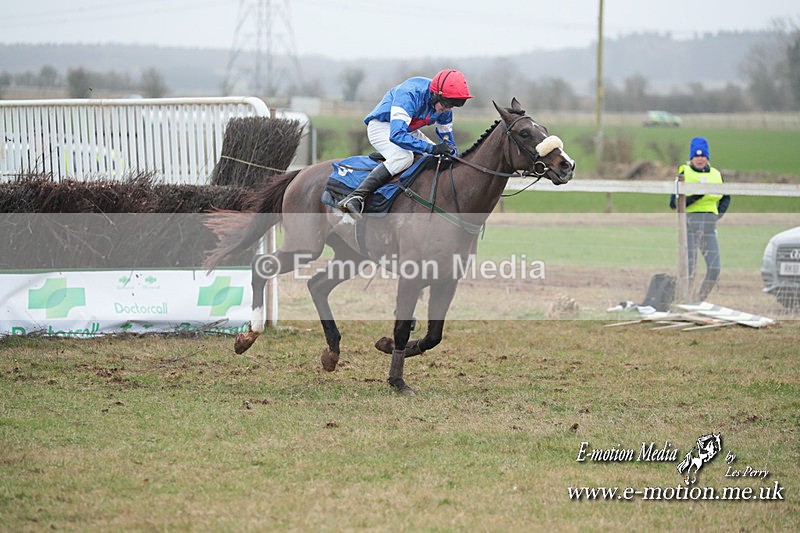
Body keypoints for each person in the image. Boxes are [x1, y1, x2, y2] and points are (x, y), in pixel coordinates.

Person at [337, 69, 474, 219]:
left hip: (408, 130)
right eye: (447, 104)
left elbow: (447, 140)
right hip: (383, 127)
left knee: (442, 156)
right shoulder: (409, 94)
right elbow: (397, 135)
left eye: (452, 106)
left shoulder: (445, 106)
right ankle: (356, 197)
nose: (447, 110)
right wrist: (431, 148)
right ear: (436, 94)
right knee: (404, 158)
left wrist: (452, 154)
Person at [670, 136, 731, 301]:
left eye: (703, 155)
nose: (700, 159)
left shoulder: (716, 175)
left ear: (707, 157)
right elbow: (673, 203)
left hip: (709, 228)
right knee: (689, 269)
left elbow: (726, 197)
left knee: (714, 269)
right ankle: (684, 301)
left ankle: (699, 301)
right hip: (688, 226)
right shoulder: (684, 172)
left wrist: (717, 215)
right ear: (691, 158)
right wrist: (695, 196)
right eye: (696, 156)